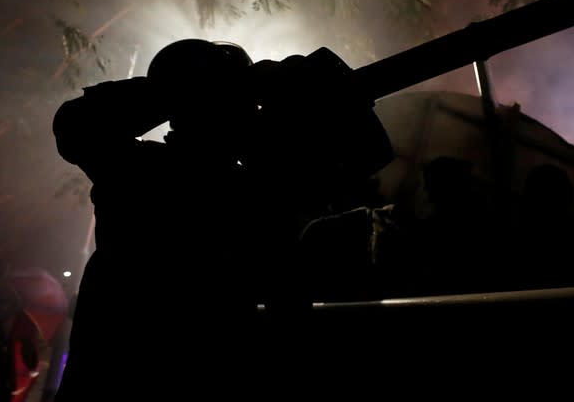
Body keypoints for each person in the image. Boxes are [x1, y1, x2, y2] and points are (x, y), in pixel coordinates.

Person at [52, 39, 392, 400]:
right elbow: (74, 125)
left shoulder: (135, 170)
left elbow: (368, 156)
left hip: (119, 373)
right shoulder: (248, 187)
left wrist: (184, 90)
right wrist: (294, 76)